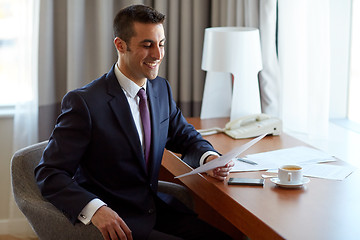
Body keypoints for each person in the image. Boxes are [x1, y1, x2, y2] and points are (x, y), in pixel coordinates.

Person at [35, 4, 234, 240]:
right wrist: (96, 209)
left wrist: (209, 158)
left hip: (154, 210)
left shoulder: (160, 88)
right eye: (147, 45)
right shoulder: (85, 103)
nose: (158, 55)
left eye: (161, 44)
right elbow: (49, 173)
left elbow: (185, 137)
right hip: (117, 223)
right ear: (121, 45)